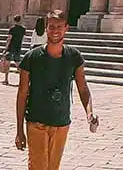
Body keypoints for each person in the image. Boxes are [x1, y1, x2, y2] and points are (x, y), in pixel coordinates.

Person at [16, 11, 95, 170]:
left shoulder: (74, 56)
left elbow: (83, 88)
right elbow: (22, 94)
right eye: (51, 26)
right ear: (46, 28)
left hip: (61, 122)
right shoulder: (31, 58)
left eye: (59, 26)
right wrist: (19, 130)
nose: (55, 30)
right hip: (36, 121)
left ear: (67, 28)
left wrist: (89, 113)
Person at [0, 16, 26, 85]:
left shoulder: (12, 28)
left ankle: (6, 80)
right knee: (18, 64)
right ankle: (22, 80)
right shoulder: (23, 29)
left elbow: (9, 39)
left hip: (11, 47)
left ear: (14, 21)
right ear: (20, 20)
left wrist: (6, 48)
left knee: (7, 64)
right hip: (18, 48)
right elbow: (23, 39)